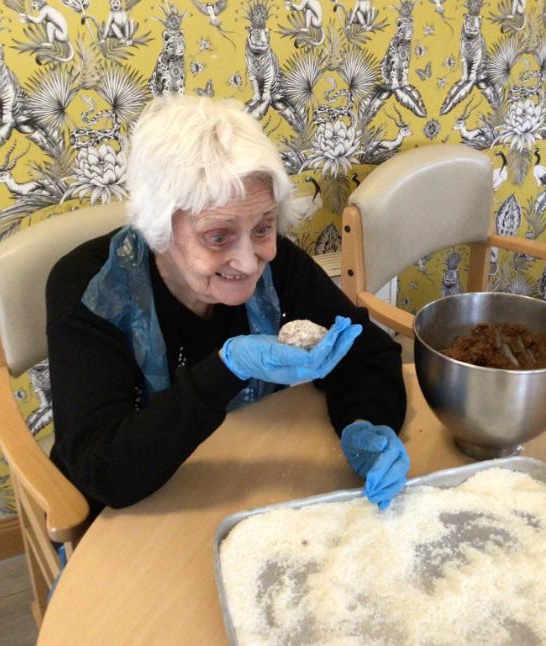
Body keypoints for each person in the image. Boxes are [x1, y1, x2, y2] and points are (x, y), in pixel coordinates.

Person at [46, 95, 409, 519]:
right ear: (159, 228)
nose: (249, 262)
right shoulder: (93, 289)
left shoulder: (279, 264)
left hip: (242, 482)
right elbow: (104, 470)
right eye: (218, 237)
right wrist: (226, 368)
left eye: (263, 228)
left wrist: (364, 423)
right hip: (132, 514)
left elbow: (366, 355)